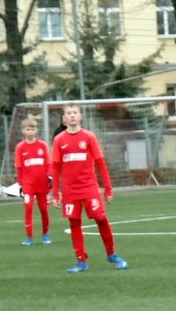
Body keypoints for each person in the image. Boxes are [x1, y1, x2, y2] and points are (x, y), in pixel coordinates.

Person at [51, 103, 129, 273]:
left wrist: (108, 188)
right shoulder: (59, 140)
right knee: (74, 222)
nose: (72, 115)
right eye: (68, 113)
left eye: (75, 112)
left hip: (89, 187)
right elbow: (55, 168)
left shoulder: (89, 137)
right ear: (64, 119)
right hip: (70, 190)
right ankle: (81, 261)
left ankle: (111, 254)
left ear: (80, 116)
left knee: (101, 218)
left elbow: (100, 162)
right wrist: (55, 193)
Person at [13, 116, 52, 246]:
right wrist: (21, 184)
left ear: (36, 130)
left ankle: (45, 235)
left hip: (42, 184)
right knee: (28, 210)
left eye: (32, 129)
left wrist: (49, 177)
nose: (30, 132)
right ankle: (29, 237)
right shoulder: (20, 147)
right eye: (28, 129)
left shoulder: (42, 145)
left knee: (44, 210)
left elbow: (48, 163)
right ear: (23, 131)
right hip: (28, 185)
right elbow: (19, 166)